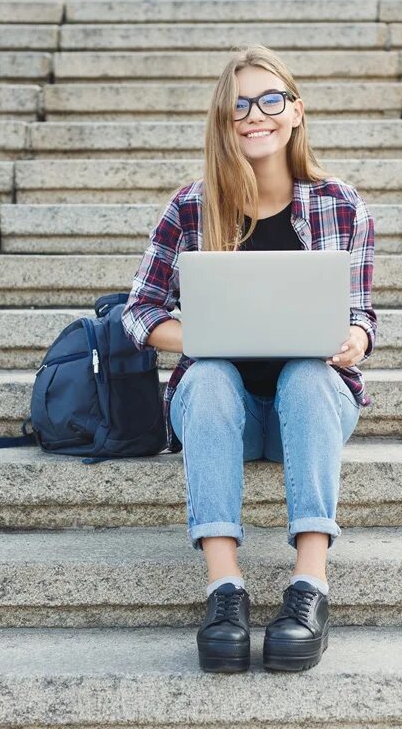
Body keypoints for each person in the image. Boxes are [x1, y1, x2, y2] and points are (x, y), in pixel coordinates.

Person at [122, 45, 377, 673]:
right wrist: (210, 334)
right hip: (221, 414)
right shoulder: (191, 206)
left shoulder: (341, 204)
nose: (253, 115)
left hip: (306, 411)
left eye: (269, 100)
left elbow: (362, 312)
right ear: (223, 119)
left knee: (309, 373)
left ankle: (309, 586)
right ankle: (225, 591)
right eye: (238, 105)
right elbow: (140, 312)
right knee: (208, 375)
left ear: (295, 111)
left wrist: (356, 339)